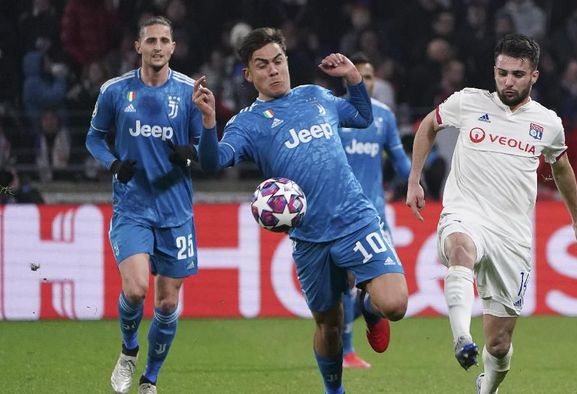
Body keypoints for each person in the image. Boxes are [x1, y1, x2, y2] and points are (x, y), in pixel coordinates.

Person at [188, 27, 408, 394]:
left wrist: (353, 77)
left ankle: (369, 306)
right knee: (329, 324)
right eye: (262, 65)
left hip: (355, 219)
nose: (273, 70)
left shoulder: (315, 96)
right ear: (248, 74)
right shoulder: (247, 123)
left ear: (286, 61)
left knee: (396, 304)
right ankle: (334, 390)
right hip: (309, 238)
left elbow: (361, 116)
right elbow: (215, 161)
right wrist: (209, 123)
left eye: (278, 61)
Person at [406, 33, 577, 394]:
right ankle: (461, 337)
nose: (509, 81)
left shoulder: (547, 123)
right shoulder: (468, 102)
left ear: (534, 76)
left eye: (518, 75)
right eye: (502, 73)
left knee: (499, 344)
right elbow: (428, 125)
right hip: (466, 212)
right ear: (494, 71)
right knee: (460, 248)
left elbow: (562, 168)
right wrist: (414, 179)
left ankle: (486, 387)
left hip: (513, 235)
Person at [85, 16, 202, 394]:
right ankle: (128, 351)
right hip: (132, 208)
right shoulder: (115, 91)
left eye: (163, 40)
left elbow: (207, 147)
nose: (156, 46)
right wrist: (114, 164)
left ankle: (150, 379)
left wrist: (191, 153)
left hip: (176, 212)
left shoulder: (188, 92)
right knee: (136, 289)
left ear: (173, 47)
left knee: (167, 304)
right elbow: (94, 139)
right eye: (150, 39)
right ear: (138, 46)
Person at [337, 53, 411, 369]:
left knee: (381, 288)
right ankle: (347, 350)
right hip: (338, 214)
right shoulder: (332, 114)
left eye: (369, 78)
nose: (365, 83)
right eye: (359, 77)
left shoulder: (383, 116)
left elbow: (400, 162)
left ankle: (366, 313)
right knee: (341, 288)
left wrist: (415, 179)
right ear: (347, 80)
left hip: (375, 216)